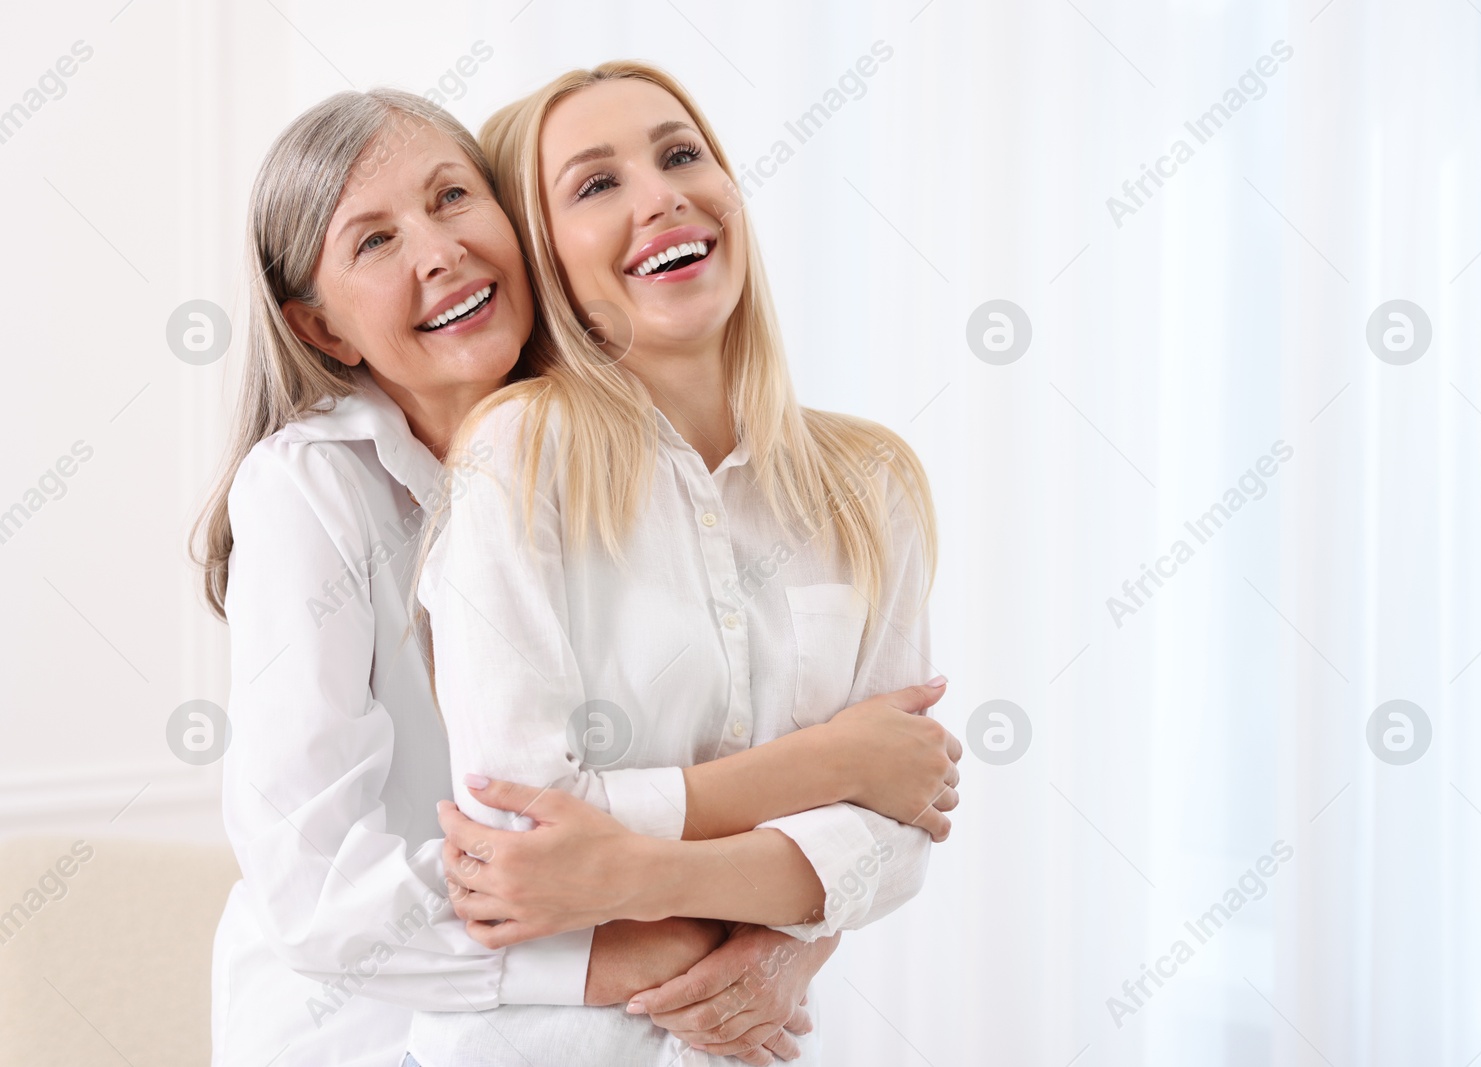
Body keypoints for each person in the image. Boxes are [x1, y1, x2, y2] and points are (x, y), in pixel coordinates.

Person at [198, 88, 954, 1067]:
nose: (437, 251)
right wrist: (633, 937)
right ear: (325, 330)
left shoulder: (615, 458)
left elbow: (843, 819)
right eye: (373, 242)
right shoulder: (309, 487)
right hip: (363, 1032)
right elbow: (322, 890)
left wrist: (781, 942)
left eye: (453, 198)